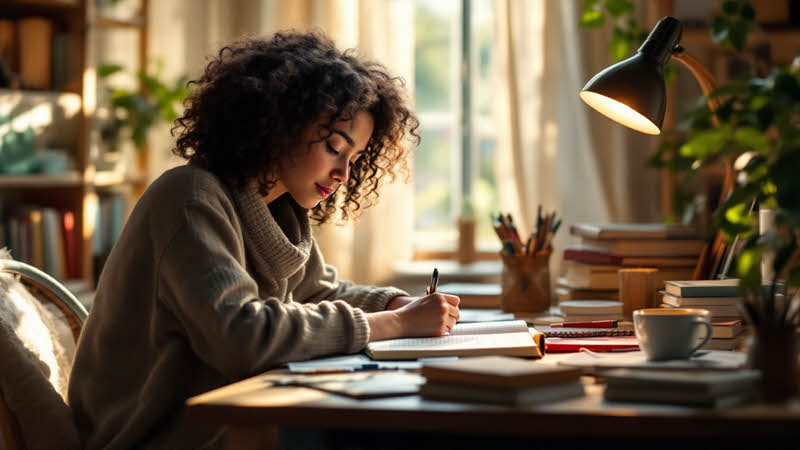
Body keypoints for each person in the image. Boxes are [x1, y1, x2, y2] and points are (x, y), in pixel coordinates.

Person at [68, 31, 461, 450]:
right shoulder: (189, 199)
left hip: (231, 425)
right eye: (333, 147)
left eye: (354, 158)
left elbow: (319, 292)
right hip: (155, 438)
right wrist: (395, 324)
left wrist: (396, 304)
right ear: (279, 125)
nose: (344, 174)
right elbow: (242, 336)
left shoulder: (279, 208)